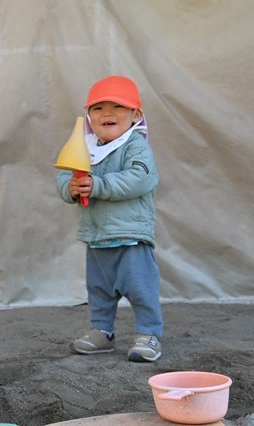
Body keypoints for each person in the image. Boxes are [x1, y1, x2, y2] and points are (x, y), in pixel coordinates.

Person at [55, 75, 164, 362]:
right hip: (97, 238)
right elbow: (65, 173)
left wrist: (98, 185)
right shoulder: (86, 146)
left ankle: (149, 333)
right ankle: (102, 331)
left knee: (141, 289)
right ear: (89, 116)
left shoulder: (135, 146)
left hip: (131, 237)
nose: (107, 113)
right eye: (98, 108)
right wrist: (70, 188)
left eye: (117, 107)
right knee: (99, 290)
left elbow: (140, 179)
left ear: (136, 115)